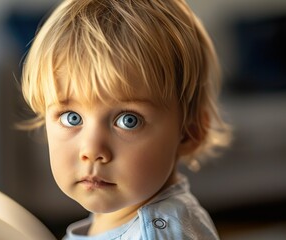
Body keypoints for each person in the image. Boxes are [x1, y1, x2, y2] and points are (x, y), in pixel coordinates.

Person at [20, 0, 230, 239]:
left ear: (189, 132)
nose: (92, 150)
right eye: (72, 117)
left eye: (128, 120)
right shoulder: (116, 215)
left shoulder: (159, 233)